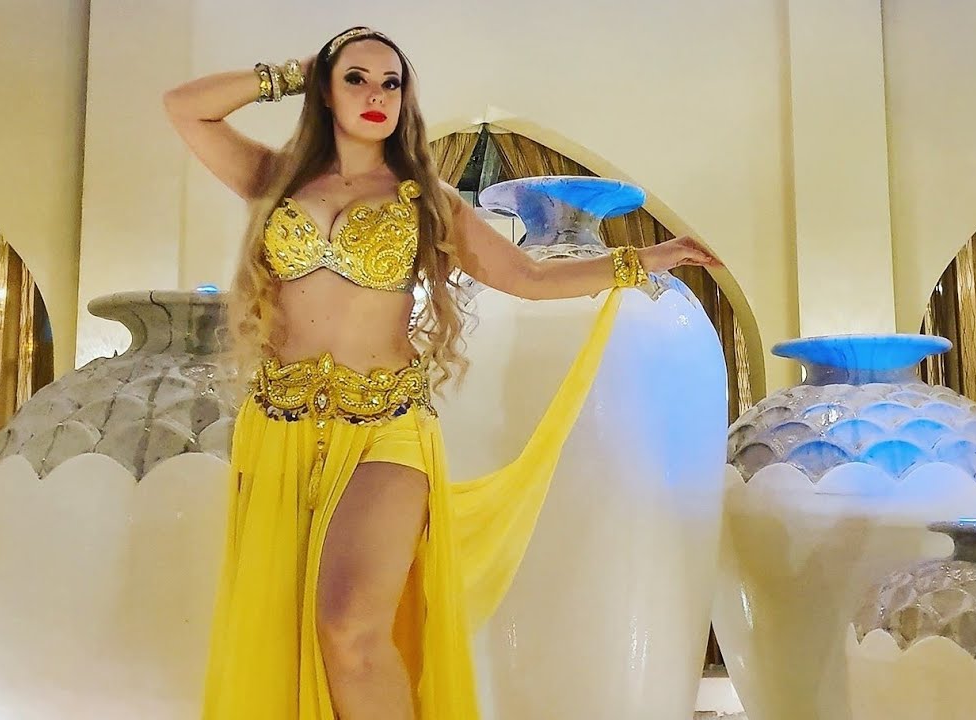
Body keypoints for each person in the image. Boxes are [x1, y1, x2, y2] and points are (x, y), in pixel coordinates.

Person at [163, 25, 720, 720]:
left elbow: (524, 276)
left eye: (391, 83)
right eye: (356, 79)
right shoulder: (277, 180)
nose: (376, 95)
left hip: (387, 426)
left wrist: (642, 261)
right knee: (287, 630)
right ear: (326, 92)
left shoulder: (425, 198)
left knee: (350, 628)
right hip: (281, 426)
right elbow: (186, 109)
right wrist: (296, 72)